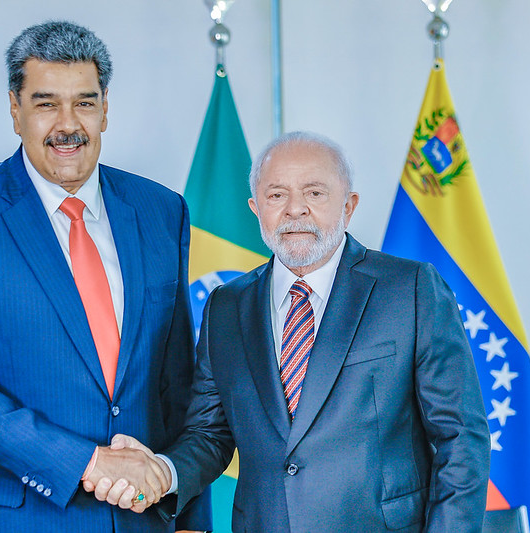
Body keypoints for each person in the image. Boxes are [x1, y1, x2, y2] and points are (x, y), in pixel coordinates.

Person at [97, 131, 491, 532]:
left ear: (348, 205)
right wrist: (163, 470)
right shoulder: (226, 307)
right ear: (256, 208)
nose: (295, 210)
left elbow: (461, 438)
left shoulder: (410, 289)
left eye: (315, 193)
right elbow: (209, 434)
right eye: (276, 195)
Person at [0, 21, 210, 532]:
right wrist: (90, 463)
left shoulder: (162, 211)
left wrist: (189, 517)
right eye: (46, 103)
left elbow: (176, 382)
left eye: (85, 103)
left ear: (105, 109)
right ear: (14, 108)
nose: (68, 124)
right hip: (13, 519)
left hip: (141, 518)